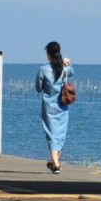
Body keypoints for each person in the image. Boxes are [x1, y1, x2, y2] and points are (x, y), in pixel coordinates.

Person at [35, 41, 73, 174]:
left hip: (49, 106)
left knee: (51, 134)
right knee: (60, 135)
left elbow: (38, 88)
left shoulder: (43, 70)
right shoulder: (64, 68)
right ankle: (54, 162)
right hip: (63, 106)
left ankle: (56, 165)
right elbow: (71, 72)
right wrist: (67, 63)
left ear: (49, 54)